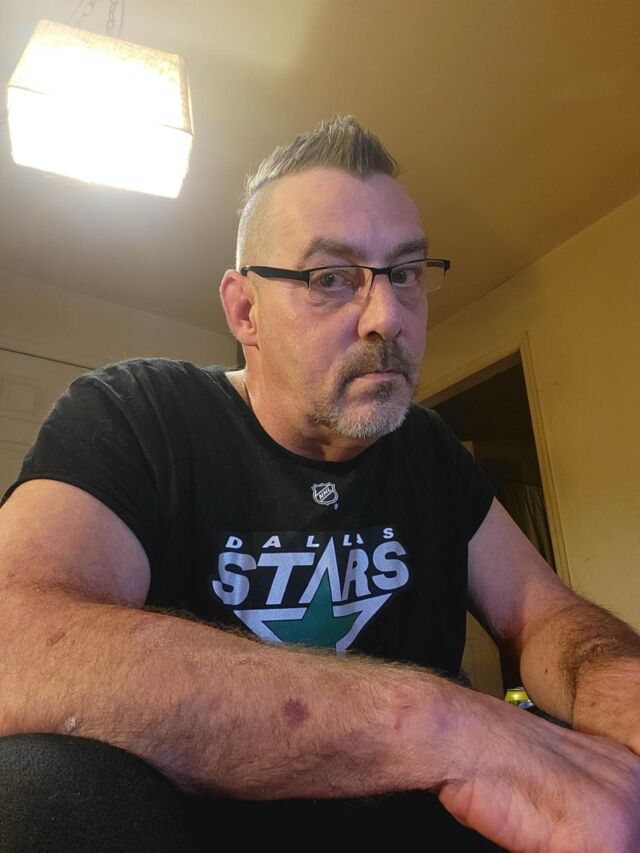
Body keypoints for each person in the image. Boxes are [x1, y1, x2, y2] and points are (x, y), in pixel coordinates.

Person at [0, 115, 639, 852]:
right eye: (331, 279)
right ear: (245, 310)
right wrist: (435, 722)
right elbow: (18, 642)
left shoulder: (426, 448)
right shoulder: (138, 414)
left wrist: (618, 691)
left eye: (405, 273)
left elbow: (542, 615)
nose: (387, 318)